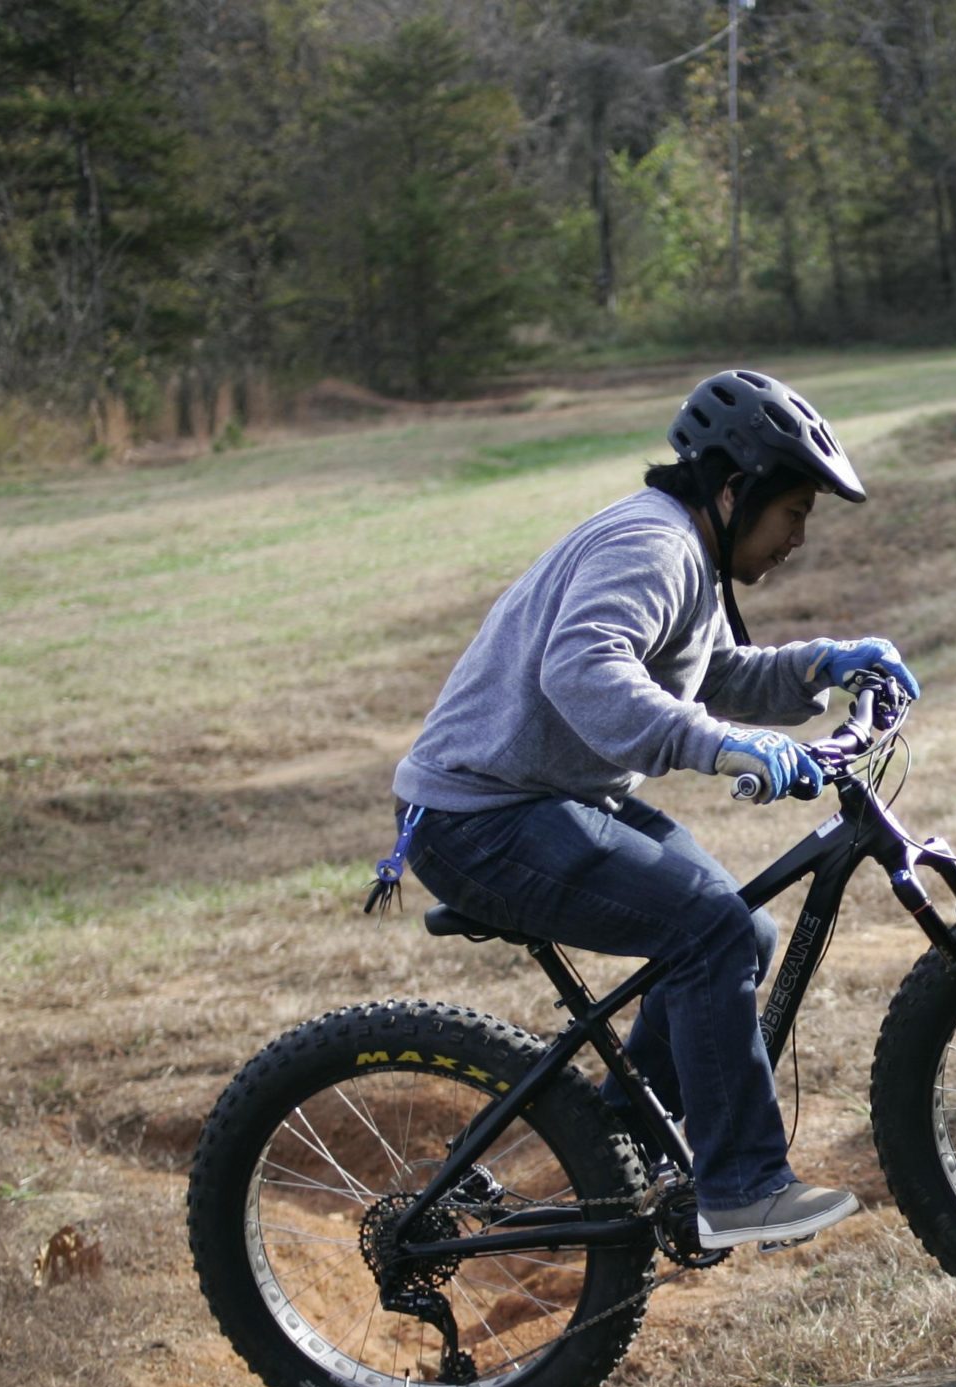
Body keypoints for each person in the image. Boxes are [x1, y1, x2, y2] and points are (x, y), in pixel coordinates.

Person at [387, 370, 919, 1250]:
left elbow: (708, 672)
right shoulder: (655, 546)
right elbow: (584, 670)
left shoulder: (689, 558)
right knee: (707, 930)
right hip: (479, 817)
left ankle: (620, 1153)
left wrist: (827, 664)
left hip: (544, 799)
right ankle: (742, 1187)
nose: (796, 538)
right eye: (793, 514)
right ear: (734, 489)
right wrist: (723, 746)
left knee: (737, 932)